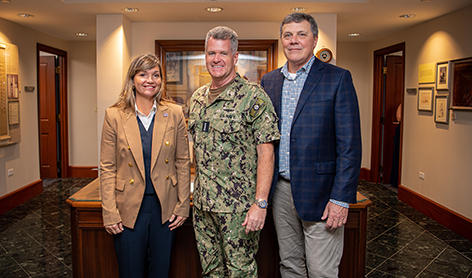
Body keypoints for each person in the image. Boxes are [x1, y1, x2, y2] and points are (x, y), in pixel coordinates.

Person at [260, 13, 362, 277]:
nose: (294, 41)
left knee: (321, 271)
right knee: (289, 265)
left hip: (322, 193)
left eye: (301, 34)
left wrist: (341, 198)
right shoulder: (269, 81)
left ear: (314, 39)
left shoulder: (337, 78)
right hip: (281, 192)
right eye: (288, 35)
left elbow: (349, 145)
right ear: (282, 40)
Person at [188, 26, 280, 277]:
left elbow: (267, 153)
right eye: (211, 53)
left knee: (240, 272)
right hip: (203, 206)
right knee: (211, 271)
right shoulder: (197, 99)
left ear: (235, 57)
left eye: (223, 53)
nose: (216, 59)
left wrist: (260, 203)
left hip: (238, 209)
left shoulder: (253, 97)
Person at [100, 53, 191, 278]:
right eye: (143, 74)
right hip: (128, 208)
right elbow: (107, 167)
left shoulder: (175, 113)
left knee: (161, 271)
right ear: (132, 80)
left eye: (155, 75)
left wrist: (182, 206)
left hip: (165, 208)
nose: (150, 80)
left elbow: (182, 161)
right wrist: (109, 212)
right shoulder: (114, 115)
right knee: (130, 271)